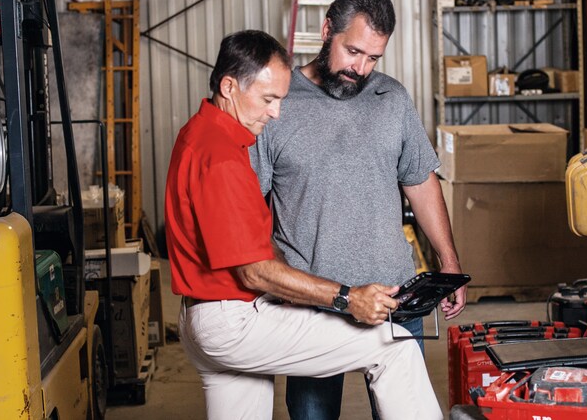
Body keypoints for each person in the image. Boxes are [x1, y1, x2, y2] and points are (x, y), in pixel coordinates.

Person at [165, 29, 442, 420]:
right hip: (234, 321)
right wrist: (347, 297)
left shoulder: (199, 133)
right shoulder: (223, 157)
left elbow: (250, 240)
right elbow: (254, 271)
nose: (276, 113)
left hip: (201, 317)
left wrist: (295, 285)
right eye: (268, 99)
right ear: (228, 87)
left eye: (280, 99)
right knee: (394, 345)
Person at [250, 0, 466, 419]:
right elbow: (250, 206)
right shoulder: (277, 103)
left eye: (373, 58)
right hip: (313, 305)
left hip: (394, 300)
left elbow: (420, 181)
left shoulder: (392, 98)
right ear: (327, 30)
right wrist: (281, 282)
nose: (360, 68)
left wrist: (449, 260)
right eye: (353, 52)